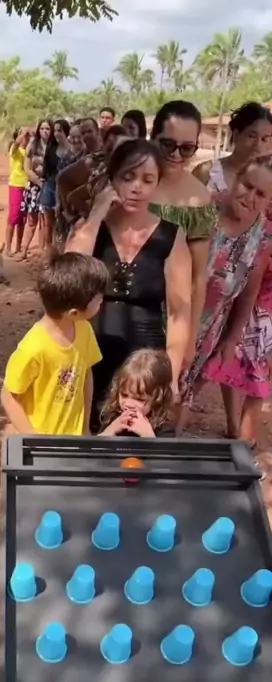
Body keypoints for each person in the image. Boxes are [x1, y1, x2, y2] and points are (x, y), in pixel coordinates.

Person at [66, 138, 192, 431]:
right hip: (92, 356)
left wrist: (171, 376)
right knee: (92, 441)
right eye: (128, 177)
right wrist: (97, 213)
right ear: (112, 179)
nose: (137, 187)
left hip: (146, 368)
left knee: (143, 445)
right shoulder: (90, 230)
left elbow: (179, 313)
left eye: (147, 180)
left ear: (157, 184)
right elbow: (69, 277)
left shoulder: (171, 236)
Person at [180, 154, 272, 444]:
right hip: (171, 317)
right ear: (235, 179)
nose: (250, 197)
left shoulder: (263, 238)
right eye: (247, 186)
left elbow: (248, 293)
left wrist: (231, 340)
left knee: (178, 406)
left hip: (209, 331)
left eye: (261, 194)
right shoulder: (203, 209)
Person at [1, 252, 108, 435]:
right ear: (74, 313)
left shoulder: (84, 330)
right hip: (41, 441)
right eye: (98, 298)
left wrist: (85, 427)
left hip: (73, 438)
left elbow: (85, 375)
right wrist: (32, 438)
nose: (102, 300)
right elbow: (8, 395)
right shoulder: (34, 348)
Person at [149, 101, 217, 366]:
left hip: (169, 319)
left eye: (187, 148)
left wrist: (189, 339)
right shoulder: (130, 182)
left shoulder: (198, 200)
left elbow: (197, 277)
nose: (176, 154)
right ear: (153, 138)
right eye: (168, 144)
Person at [193, 102, 272, 199]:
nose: (258, 144)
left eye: (264, 139)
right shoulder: (206, 172)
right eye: (251, 136)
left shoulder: (268, 180)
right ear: (236, 135)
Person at [100, 349, 174, 437]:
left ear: (158, 398)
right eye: (124, 395)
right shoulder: (113, 417)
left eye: (140, 399)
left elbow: (164, 446)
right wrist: (109, 431)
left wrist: (148, 435)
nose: (129, 404)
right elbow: (95, 445)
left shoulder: (164, 426)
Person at [18, 119, 52, 261]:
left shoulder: (54, 147)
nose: (45, 131)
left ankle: (41, 252)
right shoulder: (33, 145)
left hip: (49, 186)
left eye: (48, 129)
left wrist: (46, 184)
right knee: (31, 220)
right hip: (34, 186)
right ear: (38, 130)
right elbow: (26, 168)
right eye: (42, 128)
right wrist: (38, 182)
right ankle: (24, 250)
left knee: (45, 222)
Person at [41, 119, 71, 248]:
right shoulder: (51, 148)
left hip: (65, 190)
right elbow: (46, 170)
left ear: (66, 132)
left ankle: (61, 251)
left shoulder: (72, 150)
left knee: (62, 223)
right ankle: (48, 250)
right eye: (55, 131)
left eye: (60, 130)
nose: (57, 133)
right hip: (50, 187)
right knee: (48, 224)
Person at [5, 127, 30, 255]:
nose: (26, 138)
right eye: (24, 136)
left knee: (22, 219)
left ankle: (18, 247)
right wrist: (23, 133)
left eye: (28, 136)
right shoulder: (15, 150)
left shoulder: (29, 151)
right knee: (13, 217)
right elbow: (15, 145)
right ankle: (8, 247)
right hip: (16, 185)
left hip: (27, 186)